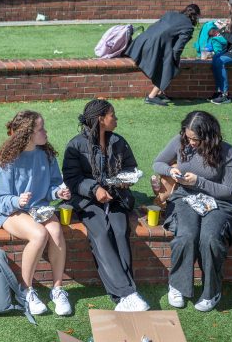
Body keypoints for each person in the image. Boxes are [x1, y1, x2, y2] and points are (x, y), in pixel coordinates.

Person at [62, 99, 150, 312]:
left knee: (120, 231)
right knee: (101, 233)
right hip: (87, 201)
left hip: (116, 198)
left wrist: (125, 180)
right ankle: (127, 293)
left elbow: (130, 167)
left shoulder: (119, 141)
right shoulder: (75, 145)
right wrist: (94, 189)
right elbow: (72, 178)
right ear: (101, 119)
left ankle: (124, 295)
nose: (116, 119)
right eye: (113, 115)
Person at [153, 111, 232, 312]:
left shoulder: (227, 151)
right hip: (184, 196)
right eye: (188, 137)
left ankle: (212, 291)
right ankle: (177, 286)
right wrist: (171, 171)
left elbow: (229, 190)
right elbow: (157, 163)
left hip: (219, 202)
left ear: (209, 137)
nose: (191, 142)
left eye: (196, 139)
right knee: (186, 235)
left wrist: (198, 181)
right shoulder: (180, 141)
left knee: (210, 238)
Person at [0, 111, 72, 316]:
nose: (45, 132)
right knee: (39, 234)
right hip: (10, 211)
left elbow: (53, 185)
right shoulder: (9, 160)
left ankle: (58, 289)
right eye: (41, 129)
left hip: (39, 208)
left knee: (55, 231)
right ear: (27, 134)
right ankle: (26, 290)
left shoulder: (46, 154)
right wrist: (17, 200)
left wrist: (58, 191)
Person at [126, 4, 200, 106]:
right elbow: (177, 48)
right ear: (196, 16)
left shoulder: (171, 14)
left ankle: (160, 92)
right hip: (154, 46)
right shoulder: (188, 27)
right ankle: (151, 96)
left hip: (141, 41)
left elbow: (157, 27)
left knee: (166, 61)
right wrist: (175, 61)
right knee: (169, 68)